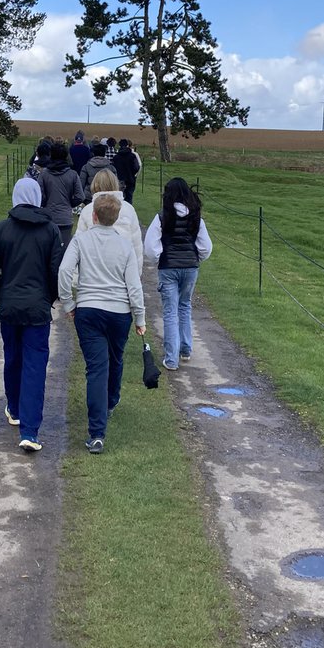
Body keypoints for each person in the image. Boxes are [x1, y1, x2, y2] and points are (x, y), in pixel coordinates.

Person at [0, 178, 64, 453]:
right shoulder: (50, 231)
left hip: (10, 306)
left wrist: (0, 295)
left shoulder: (0, 230)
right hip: (37, 308)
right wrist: (49, 297)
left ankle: (14, 407)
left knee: (13, 357)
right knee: (34, 366)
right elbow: (56, 272)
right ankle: (30, 430)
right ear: (38, 197)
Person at [59, 192, 146, 454]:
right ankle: (110, 400)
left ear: (94, 215)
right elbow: (134, 286)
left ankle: (97, 432)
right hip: (119, 312)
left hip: (89, 309)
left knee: (96, 368)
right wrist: (139, 317)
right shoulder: (125, 246)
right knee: (115, 358)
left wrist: (68, 303)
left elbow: (64, 271)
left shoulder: (81, 240)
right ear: (116, 217)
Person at [143, 178, 212, 372]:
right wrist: (196, 258)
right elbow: (206, 246)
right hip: (190, 267)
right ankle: (186, 349)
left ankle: (171, 358)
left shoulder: (162, 216)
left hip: (168, 268)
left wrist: (159, 259)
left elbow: (150, 246)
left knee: (170, 311)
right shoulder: (196, 217)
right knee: (185, 306)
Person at [75, 168, 143, 274]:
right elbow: (136, 245)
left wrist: (77, 275)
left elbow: (78, 244)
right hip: (122, 267)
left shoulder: (88, 209)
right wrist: (136, 274)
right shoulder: (128, 209)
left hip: (94, 270)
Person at [39, 142, 84, 249]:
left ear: (51, 155)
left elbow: (40, 195)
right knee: (64, 251)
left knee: (48, 250)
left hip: (48, 217)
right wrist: (69, 203)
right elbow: (80, 196)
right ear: (66, 156)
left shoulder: (44, 174)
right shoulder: (72, 174)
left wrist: (45, 204)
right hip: (65, 219)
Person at [112, 138, 141, 203]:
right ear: (128, 145)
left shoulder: (116, 157)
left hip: (119, 179)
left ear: (119, 146)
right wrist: (132, 174)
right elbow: (137, 167)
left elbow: (113, 169)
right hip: (130, 179)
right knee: (129, 197)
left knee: (118, 198)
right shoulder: (132, 156)